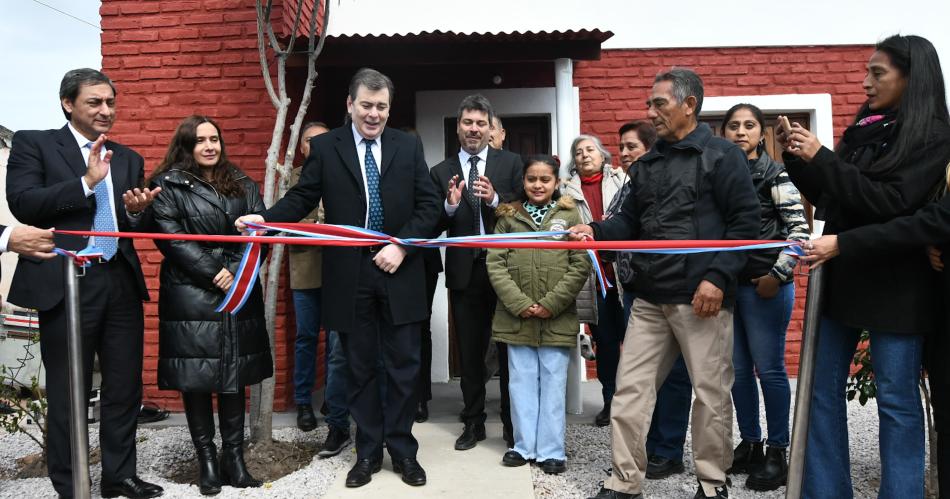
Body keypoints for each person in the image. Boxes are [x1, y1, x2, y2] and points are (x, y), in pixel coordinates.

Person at [236, 68, 440, 488]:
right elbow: (303, 197)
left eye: (381, 106)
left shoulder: (408, 145)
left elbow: (430, 206)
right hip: (350, 274)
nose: (374, 114)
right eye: (366, 105)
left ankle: (403, 451)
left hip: (399, 270)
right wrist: (267, 220)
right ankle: (367, 453)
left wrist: (401, 246)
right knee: (359, 367)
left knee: (404, 366)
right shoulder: (327, 147)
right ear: (350, 104)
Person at [574, 68, 759, 499]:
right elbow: (629, 222)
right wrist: (596, 231)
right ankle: (625, 482)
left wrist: (716, 278)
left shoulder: (722, 156)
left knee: (711, 396)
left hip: (703, 300)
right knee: (629, 392)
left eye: (660, 103)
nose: (650, 111)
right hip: (650, 298)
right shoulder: (649, 162)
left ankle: (713, 484)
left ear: (688, 105)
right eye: (650, 103)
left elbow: (745, 224)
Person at [779, 34, 950, 498]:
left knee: (897, 402)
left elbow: (892, 203)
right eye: (866, 72)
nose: (865, 83)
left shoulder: (933, 135)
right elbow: (838, 196)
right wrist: (798, 159)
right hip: (843, 277)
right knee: (818, 391)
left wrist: (823, 158)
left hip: (899, 284)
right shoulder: (865, 126)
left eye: (878, 73)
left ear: (912, 78)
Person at [5, 68, 163, 499]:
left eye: (110, 102)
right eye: (95, 102)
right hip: (66, 283)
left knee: (124, 386)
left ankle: (119, 476)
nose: (106, 110)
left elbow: (135, 222)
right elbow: (23, 204)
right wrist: (85, 182)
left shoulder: (126, 158)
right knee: (69, 389)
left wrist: (136, 212)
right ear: (67, 103)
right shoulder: (34, 144)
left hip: (119, 282)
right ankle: (73, 484)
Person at [147, 115, 272, 495]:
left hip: (239, 289)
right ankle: (207, 459)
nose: (209, 146)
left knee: (233, 376)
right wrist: (216, 272)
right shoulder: (166, 184)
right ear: (185, 145)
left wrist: (238, 272)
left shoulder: (242, 181)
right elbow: (171, 238)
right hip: (192, 293)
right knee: (197, 378)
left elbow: (260, 230)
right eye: (199, 140)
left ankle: (234, 458)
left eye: (214, 138)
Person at [720, 103, 809, 490]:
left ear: (761, 133)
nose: (741, 132)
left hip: (765, 288)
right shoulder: (718, 176)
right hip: (729, 287)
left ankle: (777, 451)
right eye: (734, 126)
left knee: (769, 369)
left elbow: (800, 233)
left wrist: (777, 274)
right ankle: (751, 443)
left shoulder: (776, 175)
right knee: (738, 371)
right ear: (724, 133)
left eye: (749, 125)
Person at [487, 154, 591, 474]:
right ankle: (523, 446)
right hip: (515, 316)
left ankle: (551, 450)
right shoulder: (507, 217)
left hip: (555, 316)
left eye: (545, 179)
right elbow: (496, 263)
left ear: (556, 182)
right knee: (520, 382)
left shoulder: (570, 213)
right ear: (523, 182)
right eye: (532, 179)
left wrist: (551, 303)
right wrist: (520, 303)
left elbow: (579, 264)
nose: (538, 185)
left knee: (553, 381)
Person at [429, 94, 522, 450]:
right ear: (458, 128)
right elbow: (432, 222)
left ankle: (514, 426)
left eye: (481, 123)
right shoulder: (441, 171)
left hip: (505, 270)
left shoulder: (511, 163)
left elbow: (524, 210)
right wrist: (449, 207)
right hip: (465, 272)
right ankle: (473, 423)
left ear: (490, 128)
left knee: (510, 351)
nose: (474, 129)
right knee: (470, 353)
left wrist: (496, 200)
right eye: (468, 123)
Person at [609, 120, 693, 480]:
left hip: (671, 288)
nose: (624, 154)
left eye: (631, 147)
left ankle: (668, 448)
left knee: (673, 373)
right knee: (640, 377)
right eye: (622, 147)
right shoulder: (630, 185)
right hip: (637, 290)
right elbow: (618, 225)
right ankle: (640, 452)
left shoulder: (663, 182)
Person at [560, 133, 626, 427]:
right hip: (593, 278)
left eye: (590, 150)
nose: (584, 155)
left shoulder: (622, 181)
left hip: (625, 275)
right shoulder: (565, 193)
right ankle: (610, 399)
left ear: (603, 156)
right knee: (606, 342)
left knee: (637, 341)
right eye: (578, 152)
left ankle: (635, 403)